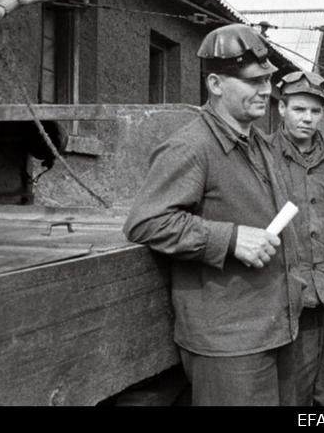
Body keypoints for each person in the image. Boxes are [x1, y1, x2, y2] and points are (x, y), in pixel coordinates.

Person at [123, 24, 305, 406]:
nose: (266, 91)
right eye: (253, 82)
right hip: (229, 346)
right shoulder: (191, 146)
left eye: (267, 80)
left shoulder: (257, 142)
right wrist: (231, 238)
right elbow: (147, 222)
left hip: (274, 331)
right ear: (216, 84)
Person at [266, 70, 324, 406]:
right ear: (281, 108)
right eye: (298, 109)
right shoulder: (261, 155)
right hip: (288, 299)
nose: (307, 119)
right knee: (291, 395)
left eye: (315, 111)